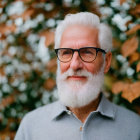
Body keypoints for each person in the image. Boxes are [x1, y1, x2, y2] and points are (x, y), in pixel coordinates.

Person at [15, 12, 140, 140]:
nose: (75, 65)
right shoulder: (30, 126)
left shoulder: (135, 127)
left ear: (106, 62)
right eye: (66, 53)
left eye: (87, 52)